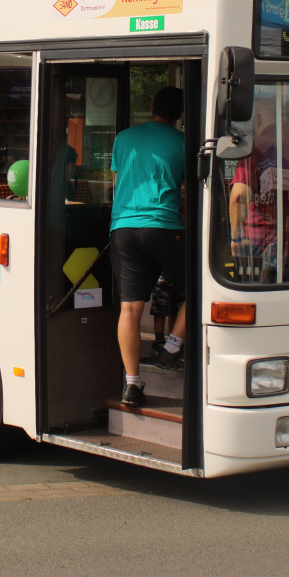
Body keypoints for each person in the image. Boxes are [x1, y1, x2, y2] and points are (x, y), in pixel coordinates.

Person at [108, 87, 187, 407]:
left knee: (130, 308)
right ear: (180, 114)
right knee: (200, 288)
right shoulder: (184, 142)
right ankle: (171, 348)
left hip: (123, 228)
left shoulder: (124, 138)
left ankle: (132, 384)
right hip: (164, 226)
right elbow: (186, 188)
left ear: (152, 106)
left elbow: (118, 183)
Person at [228, 93, 289, 283]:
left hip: (264, 243)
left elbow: (239, 198)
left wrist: (236, 239)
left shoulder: (256, 146)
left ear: (258, 120)